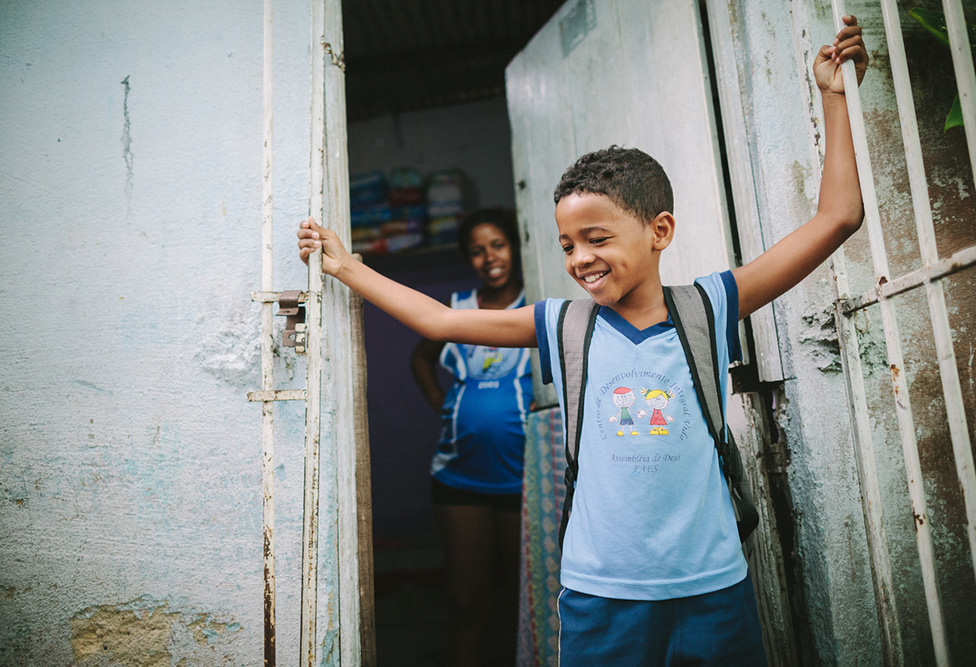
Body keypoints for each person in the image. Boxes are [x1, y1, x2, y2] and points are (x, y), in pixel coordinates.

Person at [298, 16, 867, 665]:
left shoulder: (708, 304)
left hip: (712, 587)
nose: (579, 258)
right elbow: (440, 322)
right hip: (600, 595)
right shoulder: (561, 323)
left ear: (660, 229)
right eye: (568, 244)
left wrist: (834, 96)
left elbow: (838, 216)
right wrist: (347, 266)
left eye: (598, 238)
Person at [409, 208, 531, 666]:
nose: (489, 257)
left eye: (497, 245)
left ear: (515, 248)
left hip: (523, 478)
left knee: (522, 599)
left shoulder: (537, 306)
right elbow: (421, 358)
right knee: (466, 600)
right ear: (467, 259)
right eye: (477, 250)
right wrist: (442, 403)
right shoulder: (456, 309)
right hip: (459, 477)